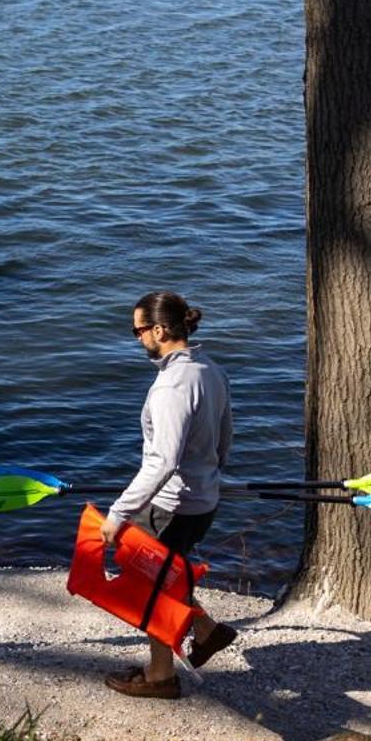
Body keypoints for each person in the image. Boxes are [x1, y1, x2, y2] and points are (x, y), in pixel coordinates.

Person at [98, 289, 238, 698]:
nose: (137, 338)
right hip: (203, 500)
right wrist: (211, 476)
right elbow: (226, 435)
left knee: (149, 584)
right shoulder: (210, 369)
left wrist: (119, 512)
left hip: (171, 507)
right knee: (169, 575)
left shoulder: (171, 387)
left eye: (138, 330)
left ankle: (161, 676)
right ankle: (205, 630)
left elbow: (162, 462)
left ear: (159, 330)